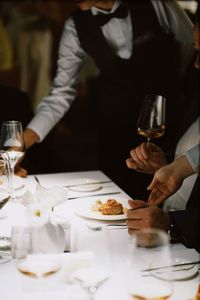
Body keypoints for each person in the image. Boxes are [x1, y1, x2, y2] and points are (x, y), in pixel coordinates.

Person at [22, 0, 194, 198]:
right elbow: (61, 92)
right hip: (115, 134)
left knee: (173, 198)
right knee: (117, 202)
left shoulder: (157, 4)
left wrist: (171, 86)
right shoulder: (75, 26)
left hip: (168, 128)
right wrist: (23, 141)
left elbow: (192, 50)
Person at [127, 12, 200, 252]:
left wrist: (172, 224)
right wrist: (166, 163)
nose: (197, 63)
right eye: (196, 50)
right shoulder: (197, 99)